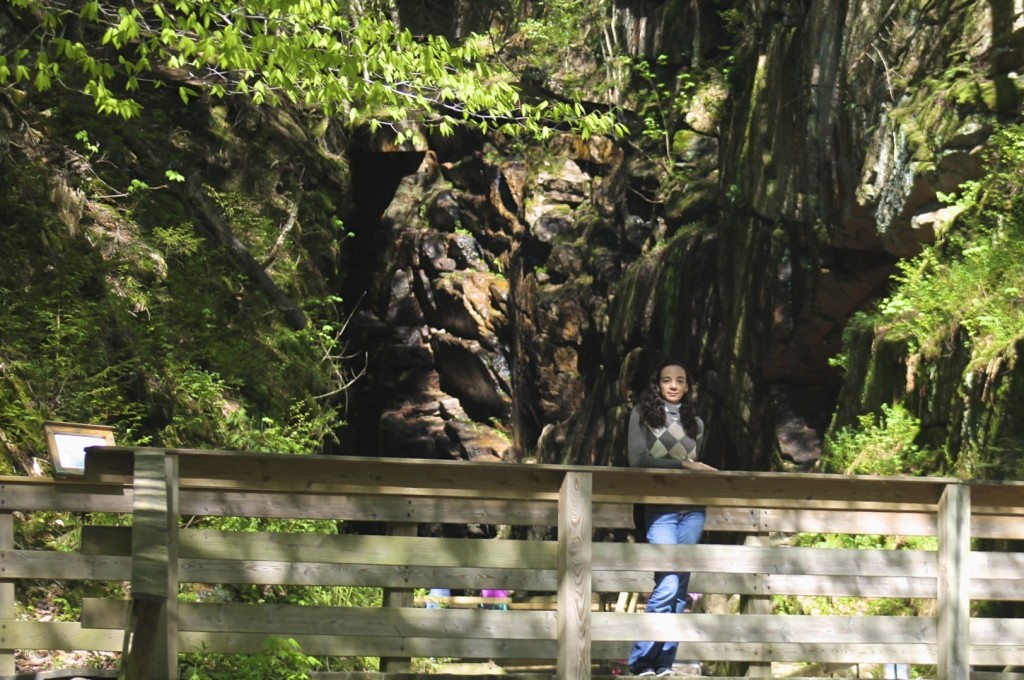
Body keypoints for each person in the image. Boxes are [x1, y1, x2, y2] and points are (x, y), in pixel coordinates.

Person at [627, 360, 716, 677]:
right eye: (667, 380)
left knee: (680, 589)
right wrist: (686, 467)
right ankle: (640, 661)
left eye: (680, 380)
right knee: (666, 584)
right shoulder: (642, 416)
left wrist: (696, 471)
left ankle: (663, 663)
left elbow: (695, 466)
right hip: (658, 507)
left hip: (693, 507)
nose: (674, 385)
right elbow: (637, 461)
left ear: (688, 386)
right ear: (658, 384)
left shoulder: (698, 424)